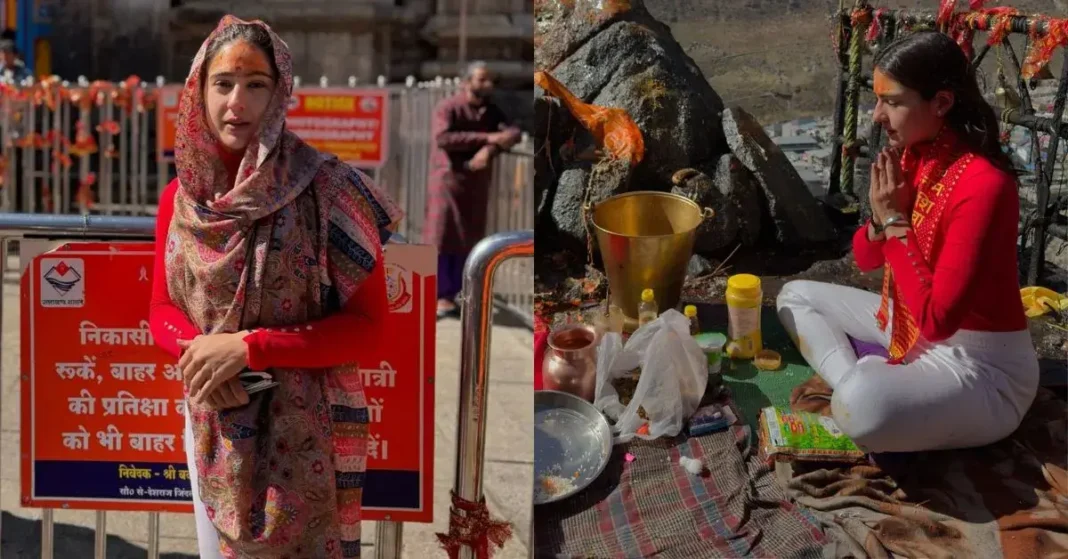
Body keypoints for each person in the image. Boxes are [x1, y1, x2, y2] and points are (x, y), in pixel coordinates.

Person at [147, 16, 402, 558]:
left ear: (280, 92)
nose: (236, 101)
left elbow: (369, 328)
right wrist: (202, 358)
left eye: (255, 85)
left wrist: (248, 347)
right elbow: (161, 309)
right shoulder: (181, 199)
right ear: (198, 90)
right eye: (223, 83)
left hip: (314, 434)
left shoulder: (329, 189)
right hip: (215, 423)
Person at [776, 31, 1038, 454]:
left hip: (981, 368)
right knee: (794, 298)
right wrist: (883, 221)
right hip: (910, 323)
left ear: (941, 103)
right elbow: (864, 258)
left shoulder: (985, 185)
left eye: (892, 102)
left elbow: (939, 321)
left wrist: (896, 221)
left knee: (865, 404)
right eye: (878, 99)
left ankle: (862, 393)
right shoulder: (917, 157)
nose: (878, 115)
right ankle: (855, 387)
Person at [425, 61, 521, 319]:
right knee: (443, 237)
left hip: (476, 185)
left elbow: (513, 132)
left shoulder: (492, 112)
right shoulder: (449, 107)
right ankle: (439, 296)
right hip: (448, 182)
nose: (486, 85)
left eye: (490, 80)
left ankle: (459, 293)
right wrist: (487, 139)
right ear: (466, 82)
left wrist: (488, 151)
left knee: (470, 238)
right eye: (481, 80)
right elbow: (443, 139)